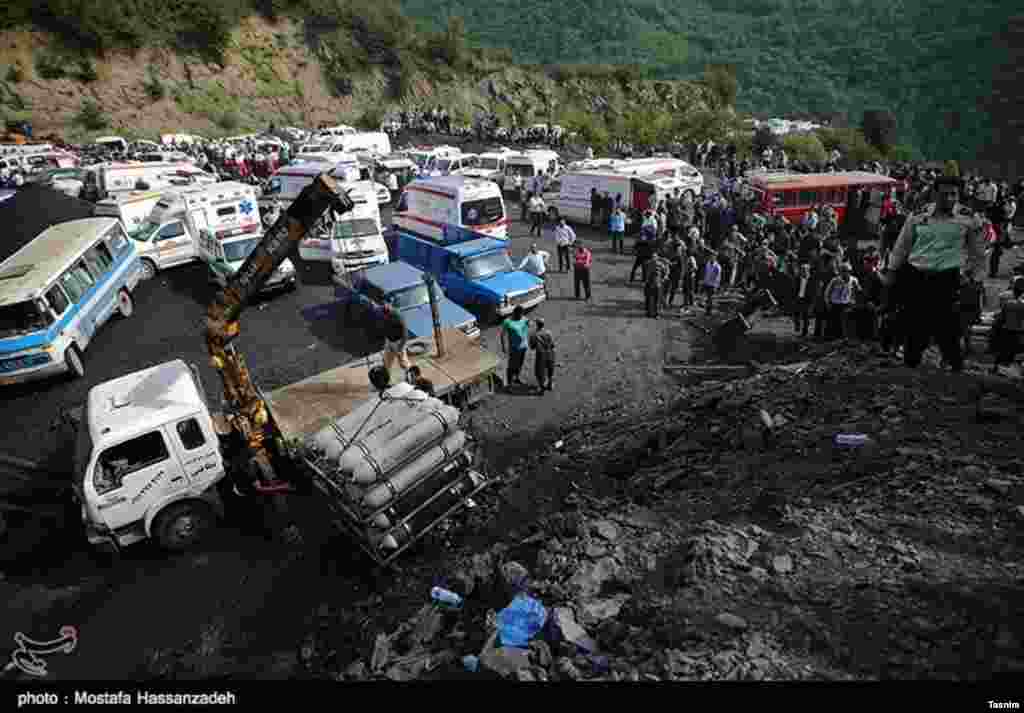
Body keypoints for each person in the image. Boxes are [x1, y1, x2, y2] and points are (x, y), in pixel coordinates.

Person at [886, 175, 987, 372]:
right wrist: (892, 271)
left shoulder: (969, 218)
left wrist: (976, 279)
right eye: (944, 194)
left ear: (959, 195)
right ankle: (911, 364)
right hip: (916, 275)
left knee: (947, 324)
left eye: (953, 194)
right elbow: (902, 245)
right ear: (935, 194)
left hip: (946, 277)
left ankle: (955, 366)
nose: (949, 199)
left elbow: (978, 254)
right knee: (914, 321)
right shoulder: (918, 214)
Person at [500, 306, 530, 387]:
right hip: (514, 348)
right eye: (519, 314)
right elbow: (502, 335)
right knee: (511, 366)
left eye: (522, 314)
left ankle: (517, 377)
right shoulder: (508, 322)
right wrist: (504, 346)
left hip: (523, 347)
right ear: (515, 313)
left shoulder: (524, 319)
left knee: (520, 364)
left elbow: (528, 327)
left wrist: (529, 324)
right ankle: (509, 383)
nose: (521, 316)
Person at [381, 303, 410, 375]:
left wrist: (400, 347)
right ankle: (385, 379)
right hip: (389, 341)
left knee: (403, 362)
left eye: (386, 313)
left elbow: (405, 334)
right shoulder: (384, 315)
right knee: (386, 362)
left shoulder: (398, 316)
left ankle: (411, 376)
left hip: (398, 342)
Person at [528, 318, 556, 393]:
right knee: (550, 369)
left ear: (537, 325)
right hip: (550, 353)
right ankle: (550, 384)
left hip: (541, 354)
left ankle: (541, 387)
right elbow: (553, 344)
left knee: (539, 371)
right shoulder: (548, 332)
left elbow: (532, 347)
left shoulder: (533, 334)